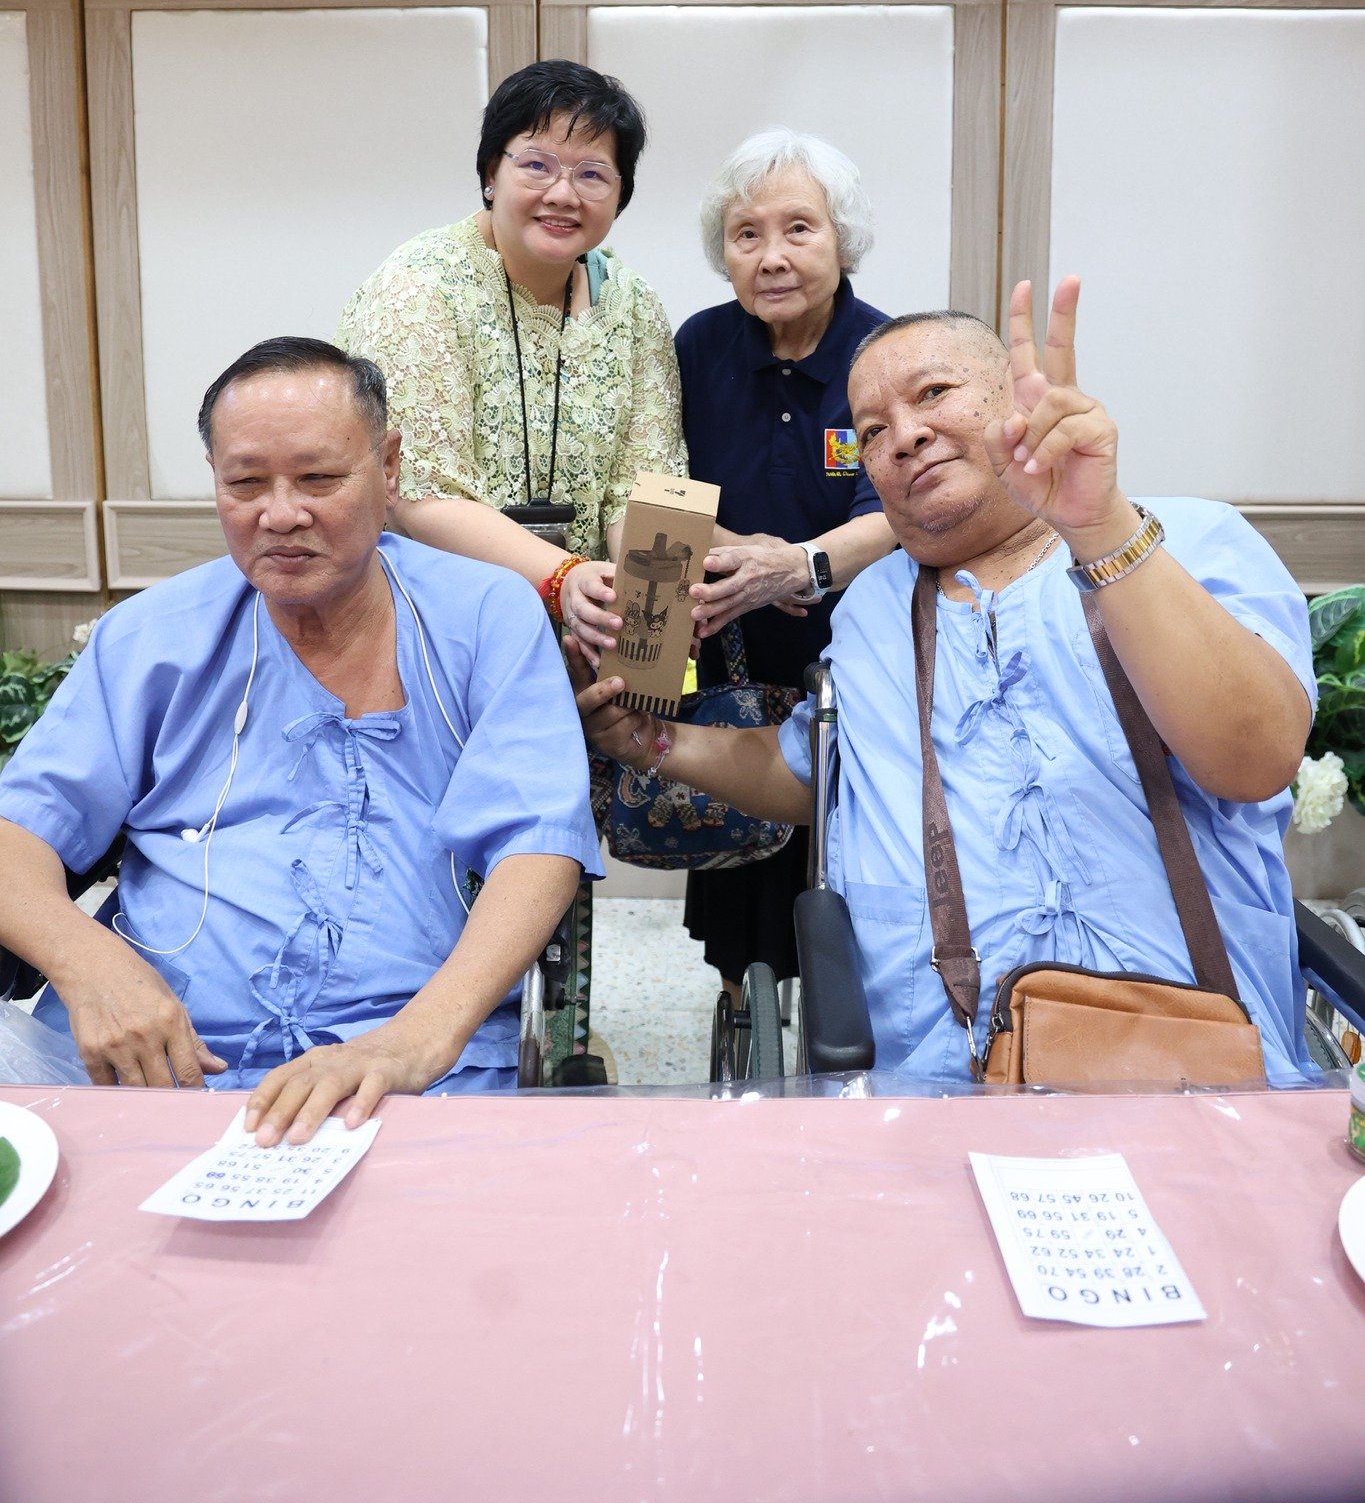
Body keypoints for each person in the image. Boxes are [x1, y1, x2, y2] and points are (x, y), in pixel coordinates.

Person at [574, 279, 1315, 1084]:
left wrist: (1096, 526)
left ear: (1014, 403)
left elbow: (1253, 760)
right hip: (937, 1076)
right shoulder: (873, 611)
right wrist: (654, 742)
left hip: (1193, 1057)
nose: (905, 436)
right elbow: (812, 772)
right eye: (870, 431)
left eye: (933, 393)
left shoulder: (1182, 540)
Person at [0, 338, 602, 1143]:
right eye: (245, 483)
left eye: (318, 479)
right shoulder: (148, 637)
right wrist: (89, 964)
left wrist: (415, 1040)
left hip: (413, 1061)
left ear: (388, 468)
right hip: (156, 1056)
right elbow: (17, 833)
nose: (280, 514)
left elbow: (538, 841)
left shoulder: (483, 614)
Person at [337, 59, 686, 651]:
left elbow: (648, 487)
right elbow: (421, 496)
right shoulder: (419, 288)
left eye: (593, 174)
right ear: (490, 174)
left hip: (588, 628)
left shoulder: (631, 302)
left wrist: (650, 621)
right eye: (536, 165)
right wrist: (564, 578)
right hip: (439, 631)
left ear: (620, 194)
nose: (563, 194)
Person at [674, 131, 896, 1001]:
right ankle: (742, 1016)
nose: (771, 256)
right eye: (746, 234)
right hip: (728, 660)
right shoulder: (698, 348)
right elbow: (659, 490)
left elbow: (894, 515)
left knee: (854, 896)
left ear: (843, 238)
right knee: (741, 917)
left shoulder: (884, 354)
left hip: (855, 664)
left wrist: (800, 565)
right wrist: (747, 559)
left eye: (798, 228)